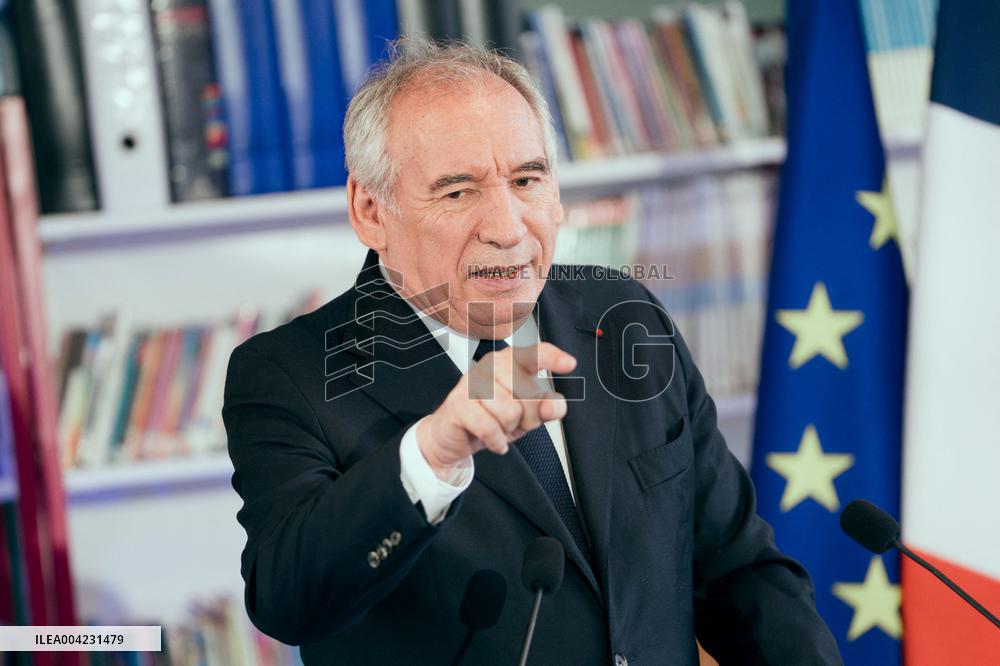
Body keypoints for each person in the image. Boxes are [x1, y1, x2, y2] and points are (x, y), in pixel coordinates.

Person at [222, 36, 842, 665]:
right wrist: (433, 454)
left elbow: (740, 569)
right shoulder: (289, 372)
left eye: (527, 179)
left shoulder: (623, 314)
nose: (508, 226)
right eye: (458, 191)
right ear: (370, 210)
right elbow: (286, 598)